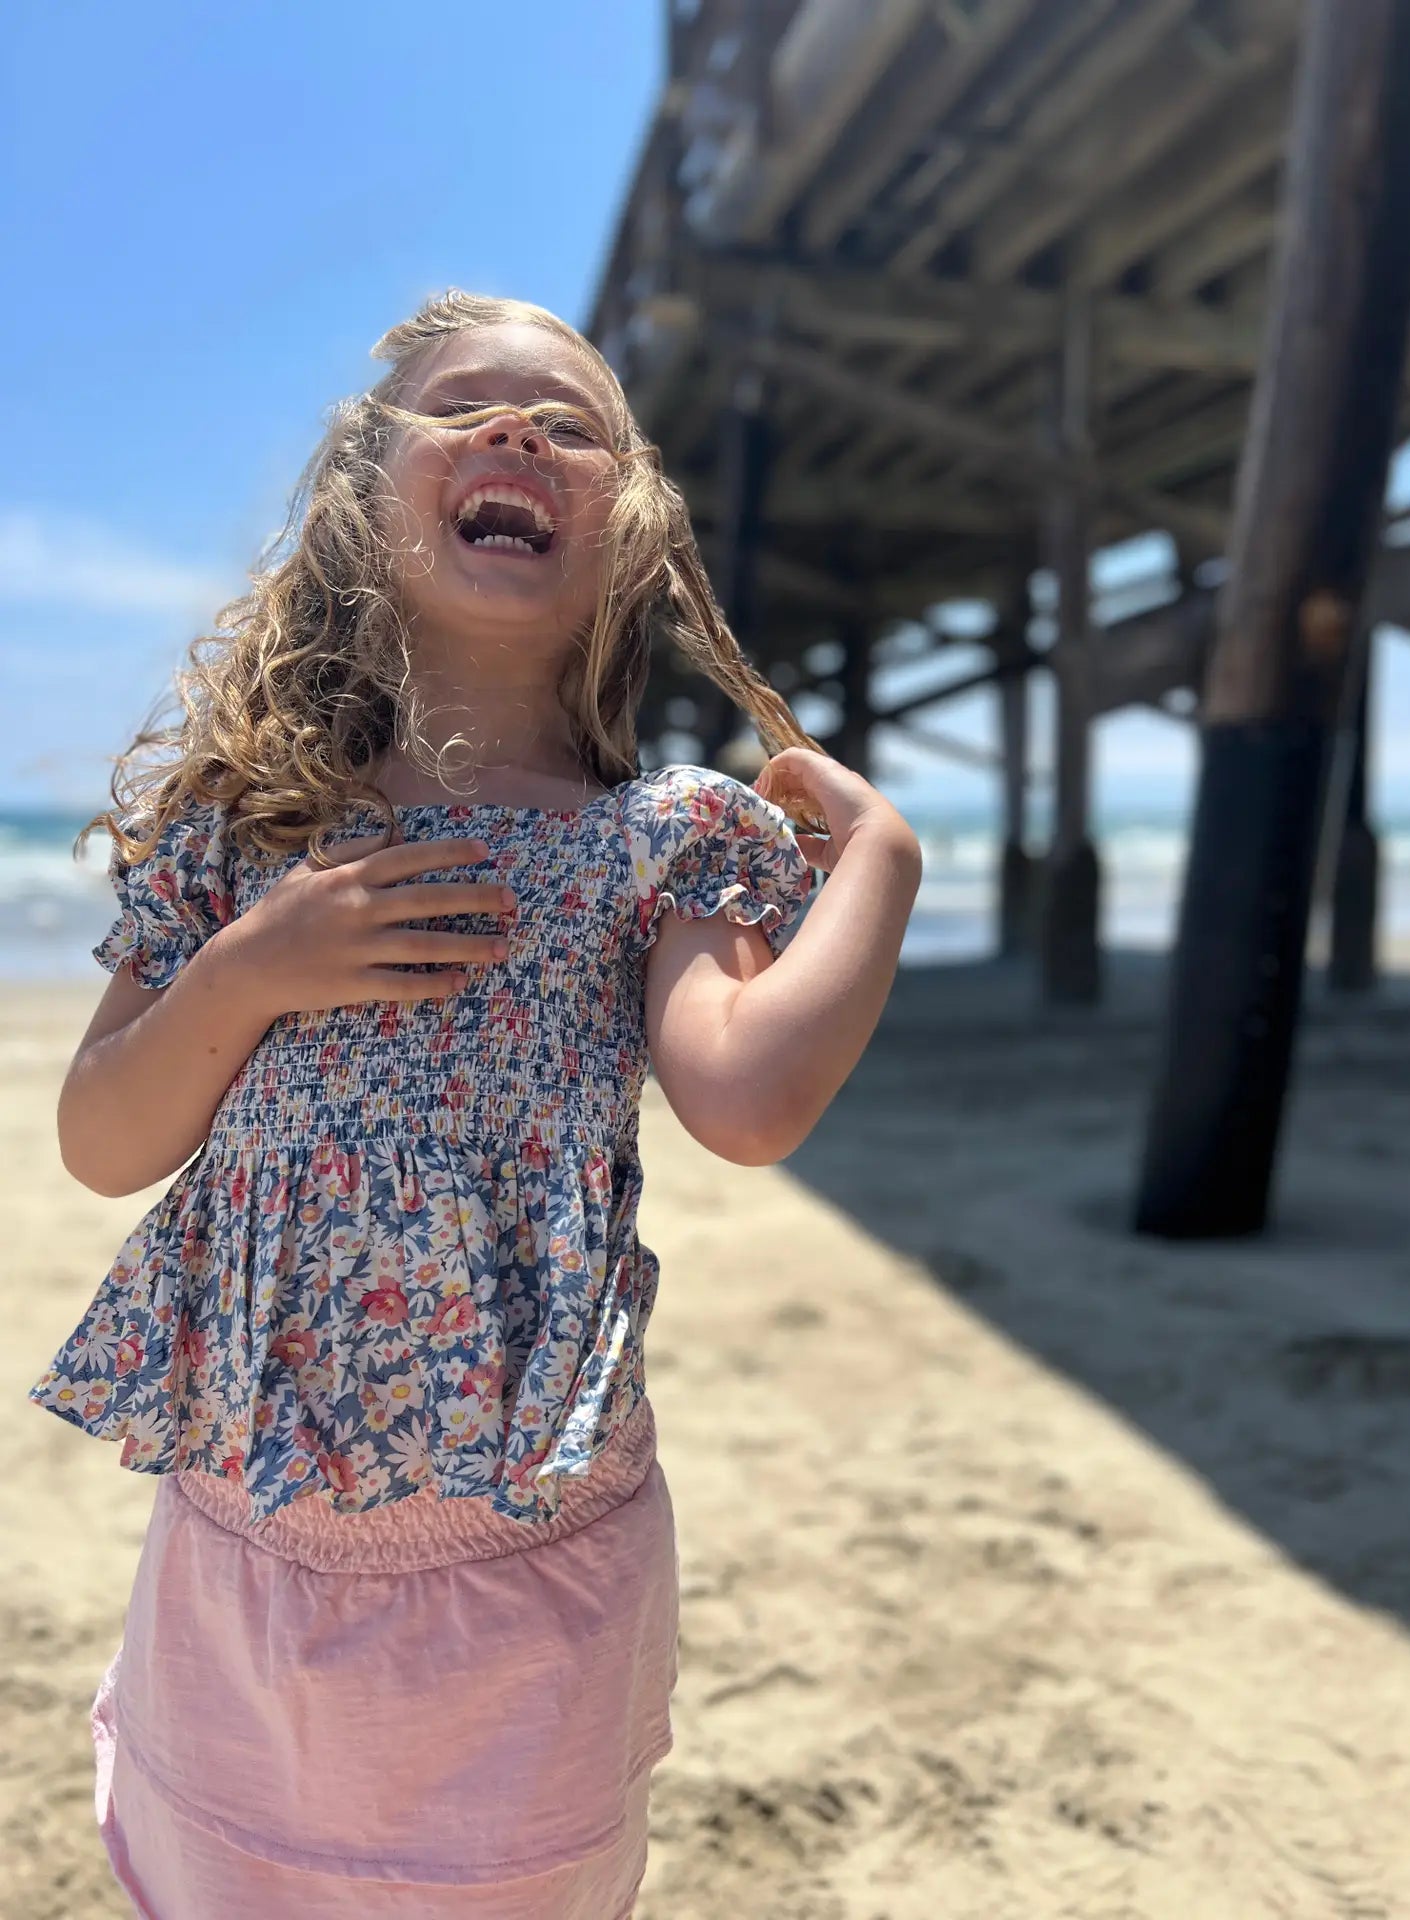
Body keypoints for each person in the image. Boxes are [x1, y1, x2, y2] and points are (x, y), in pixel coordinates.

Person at [28, 289, 923, 1918]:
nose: (518, 432)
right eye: (467, 409)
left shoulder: (665, 835)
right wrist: (245, 969)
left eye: (570, 424)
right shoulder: (255, 825)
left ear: (631, 534)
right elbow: (101, 1140)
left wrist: (883, 867)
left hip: (536, 1555)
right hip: (247, 1538)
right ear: (370, 494)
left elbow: (749, 1098)